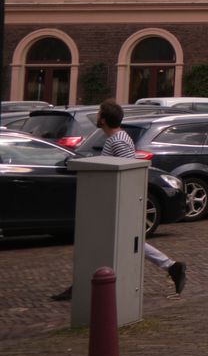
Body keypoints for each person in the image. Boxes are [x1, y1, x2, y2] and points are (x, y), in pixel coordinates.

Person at [51, 100, 185, 300]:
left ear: (103, 119)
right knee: (123, 241)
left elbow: (126, 170)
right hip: (116, 201)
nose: (96, 116)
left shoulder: (118, 141)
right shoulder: (117, 138)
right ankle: (171, 266)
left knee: (100, 242)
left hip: (116, 202)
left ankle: (83, 284)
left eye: (98, 113)